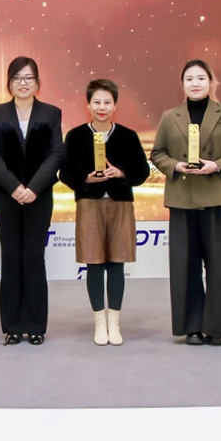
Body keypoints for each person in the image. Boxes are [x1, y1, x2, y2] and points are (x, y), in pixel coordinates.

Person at [148, 59, 221, 346]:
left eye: (201, 78)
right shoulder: (170, 116)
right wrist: (175, 166)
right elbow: (157, 154)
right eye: (189, 79)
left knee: (217, 266)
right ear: (182, 85)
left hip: (217, 199)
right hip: (182, 200)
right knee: (185, 266)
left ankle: (215, 328)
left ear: (211, 82)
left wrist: (217, 165)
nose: (195, 83)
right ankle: (191, 327)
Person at [59, 78, 151, 346]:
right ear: (88, 106)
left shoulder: (128, 136)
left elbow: (142, 172)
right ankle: (99, 323)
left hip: (120, 204)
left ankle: (114, 323)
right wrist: (85, 179)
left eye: (107, 102)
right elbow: (64, 173)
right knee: (95, 264)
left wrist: (121, 173)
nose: (102, 107)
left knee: (117, 264)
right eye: (96, 102)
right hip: (90, 204)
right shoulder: (76, 136)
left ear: (115, 106)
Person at [0, 56, 65, 345]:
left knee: (33, 257)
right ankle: (12, 326)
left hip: (38, 197)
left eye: (29, 78)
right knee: (11, 257)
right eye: (17, 78)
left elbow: (56, 153)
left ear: (37, 82)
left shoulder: (51, 113)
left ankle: (36, 325)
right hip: (6, 196)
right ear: (9, 83)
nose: (23, 83)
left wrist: (34, 188)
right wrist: (14, 187)